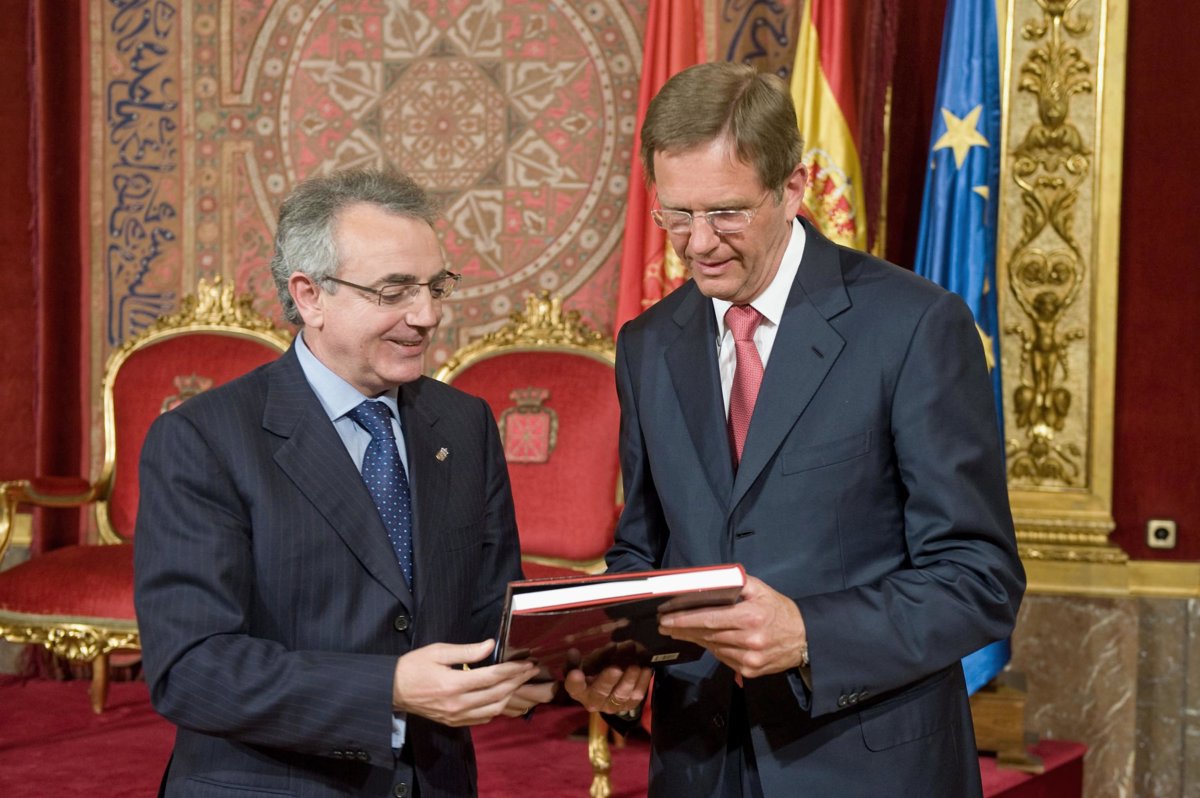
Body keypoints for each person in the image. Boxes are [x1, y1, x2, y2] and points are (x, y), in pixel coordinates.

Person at [565, 62, 1025, 796]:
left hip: (865, 764)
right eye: (676, 215)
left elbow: (979, 578)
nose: (698, 243)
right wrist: (615, 648)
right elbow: (643, 547)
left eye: (726, 213)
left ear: (792, 189)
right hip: (699, 761)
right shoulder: (648, 344)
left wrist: (811, 634)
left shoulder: (912, 326)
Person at [134, 168, 555, 798]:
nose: (427, 315)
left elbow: (492, 617)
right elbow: (191, 668)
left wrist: (568, 666)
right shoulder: (203, 440)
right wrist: (389, 690)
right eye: (394, 291)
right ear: (310, 296)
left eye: (435, 286)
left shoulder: (464, 424)